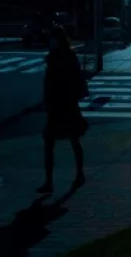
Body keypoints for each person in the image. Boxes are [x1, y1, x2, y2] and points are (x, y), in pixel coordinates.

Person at [39, 26, 88, 194]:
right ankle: (52, 180)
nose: (50, 41)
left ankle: (54, 180)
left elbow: (60, 80)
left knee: (64, 140)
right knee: (62, 140)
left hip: (63, 103)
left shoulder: (62, 57)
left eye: (52, 38)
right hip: (62, 104)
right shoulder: (60, 56)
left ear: (58, 39)